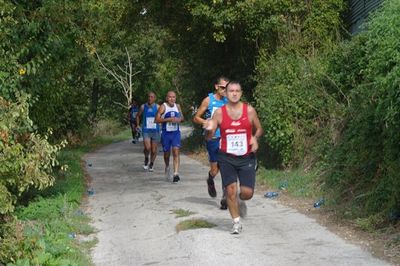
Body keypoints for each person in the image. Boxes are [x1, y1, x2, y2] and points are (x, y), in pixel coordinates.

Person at [204, 81, 263, 234]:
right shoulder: (219, 113)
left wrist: (254, 138)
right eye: (231, 91)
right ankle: (236, 222)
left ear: (241, 93)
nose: (234, 93)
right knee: (230, 191)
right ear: (226, 93)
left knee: (247, 193)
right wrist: (209, 130)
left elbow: (259, 129)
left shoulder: (249, 111)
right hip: (226, 157)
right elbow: (210, 136)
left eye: (237, 90)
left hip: (246, 157)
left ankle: (239, 200)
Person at [193, 76, 229, 209]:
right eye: (222, 87)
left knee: (226, 166)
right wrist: (206, 122)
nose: (225, 90)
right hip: (212, 138)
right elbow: (196, 117)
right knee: (215, 169)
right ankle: (210, 178)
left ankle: (225, 198)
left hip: (226, 138)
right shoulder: (209, 100)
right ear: (216, 87)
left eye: (227, 87)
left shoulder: (229, 101)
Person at [155, 91, 184, 183]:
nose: (172, 99)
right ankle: (167, 167)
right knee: (166, 154)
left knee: (176, 151)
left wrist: (179, 119)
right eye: (170, 97)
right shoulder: (163, 107)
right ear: (167, 98)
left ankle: (176, 174)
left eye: (174, 97)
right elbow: (156, 120)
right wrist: (168, 119)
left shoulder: (178, 106)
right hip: (166, 134)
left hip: (175, 133)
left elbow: (182, 118)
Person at [136, 92, 160, 172]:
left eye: (152, 97)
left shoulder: (158, 107)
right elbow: (137, 116)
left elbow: (162, 117)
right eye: (149, 97)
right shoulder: (143, 107)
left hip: (155, 130)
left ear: (155, 98)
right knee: (147, 148)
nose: (150, 98)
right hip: (146, 130)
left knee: (153, 150)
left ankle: (151, 163)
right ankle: (146, 158)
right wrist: (138, 125)